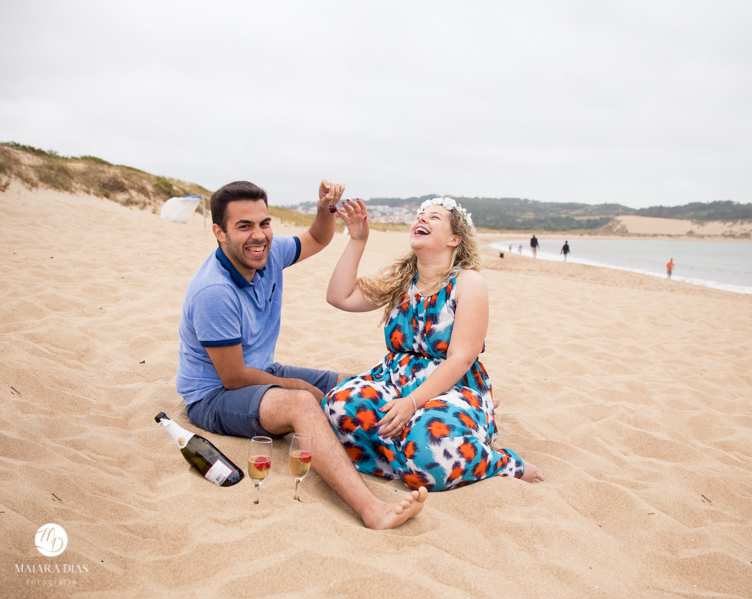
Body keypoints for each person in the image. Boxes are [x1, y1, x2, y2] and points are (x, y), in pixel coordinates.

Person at [176, 180, 426, 529]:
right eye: (244, 226)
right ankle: (371, 509)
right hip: (214, 394)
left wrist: (325, 207)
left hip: (260, 370)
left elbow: (318, 238)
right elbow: (233, 377)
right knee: (302, 403)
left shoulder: (269, 252)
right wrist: (295, 386)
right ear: (219, 232)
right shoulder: (214, 291)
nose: (259, 235)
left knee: (355, 384)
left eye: (264, 223)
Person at [322, 197, 545, 491]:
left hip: (452, 386)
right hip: (395, 379)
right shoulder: (401, 280)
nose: (422, 220)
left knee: (429, 442)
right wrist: (357, 239)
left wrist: (411, 403)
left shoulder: (468, 283)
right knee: (339, 406)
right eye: (420, 216)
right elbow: (340, 297)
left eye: (434, 217)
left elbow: (461, 358)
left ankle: (504, 462)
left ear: (455, 238)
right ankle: (408, 456)